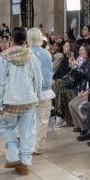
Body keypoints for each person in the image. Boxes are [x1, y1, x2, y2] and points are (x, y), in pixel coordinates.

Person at [0, 26, 43, 175]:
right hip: (29, 99)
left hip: (11, 100)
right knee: (27, 131)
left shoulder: (4, 58)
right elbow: (38, 80)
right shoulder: (33, 57)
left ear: (12, 40)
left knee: (7, 127)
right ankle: (25, 163)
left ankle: (13, 154)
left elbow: (0, 82)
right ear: (25, 40)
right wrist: (38, 96)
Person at [26, 27, 54, 157]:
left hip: (29, 91)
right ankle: (38, 147)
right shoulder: (46, 53)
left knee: (29, 120)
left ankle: (28, 144)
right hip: (44, 91)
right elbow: (49, 72)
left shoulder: (26, 53)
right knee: (42, 120)